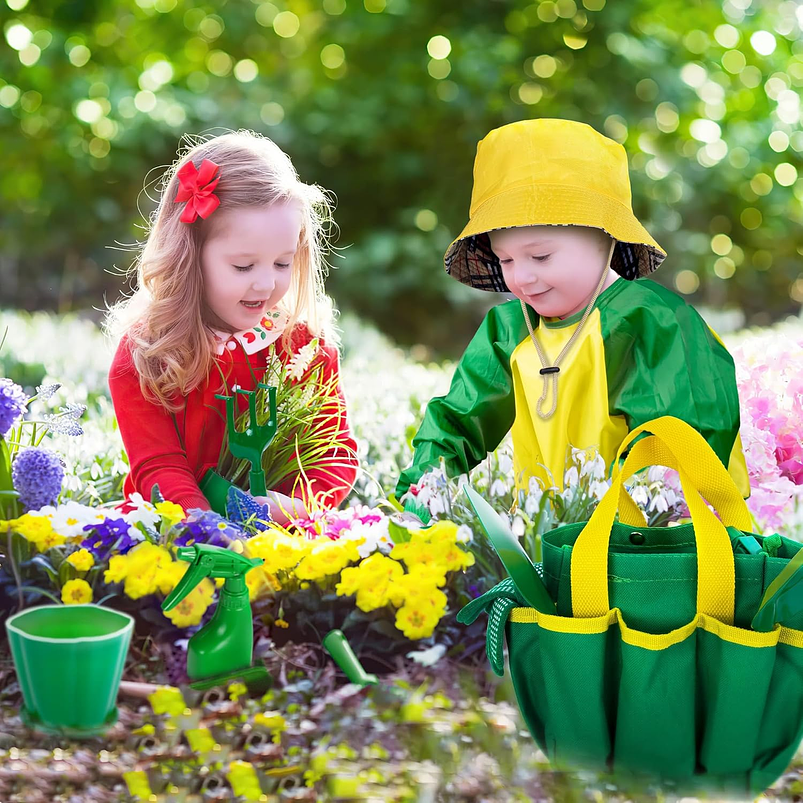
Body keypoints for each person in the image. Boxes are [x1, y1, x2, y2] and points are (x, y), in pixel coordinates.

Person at [395, 118, 750, 503]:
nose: (523, 278)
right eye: (506, 259)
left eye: (541, 255)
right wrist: (423, 492)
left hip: (650, 543)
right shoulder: (509, 329)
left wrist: (633, 512)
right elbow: (458, 420)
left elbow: (679, 441)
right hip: (548, 536)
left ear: (606, 238)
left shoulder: (651, 319)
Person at [106, 130, 359, 525]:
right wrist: (214, 532)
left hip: (283, 537)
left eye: (282, 263)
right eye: (243, 266)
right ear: (188, 256)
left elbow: (333, 454)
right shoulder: (149, 354)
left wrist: (290, 507)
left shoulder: (303, 347)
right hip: (173, 538)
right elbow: (160, 469)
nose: (265, 284)